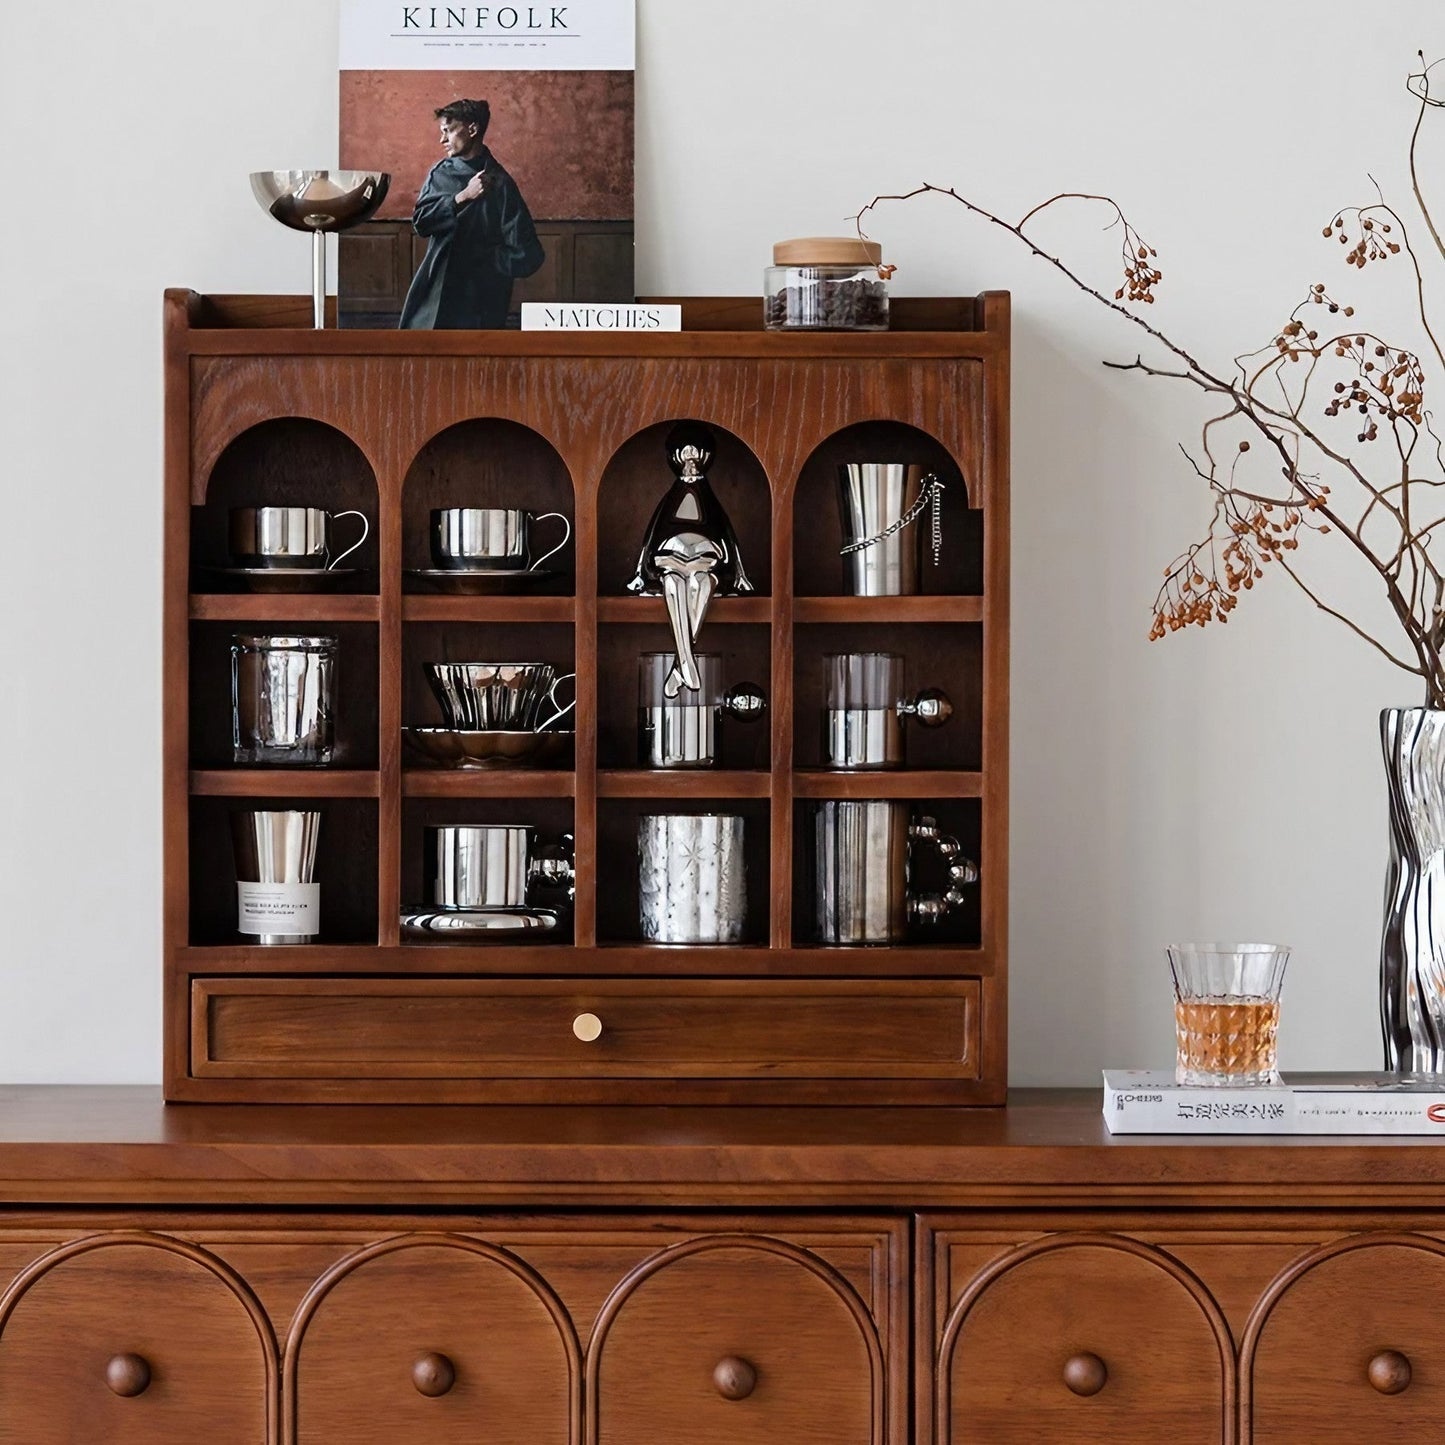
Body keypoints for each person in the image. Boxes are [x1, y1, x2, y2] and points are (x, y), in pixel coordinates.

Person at [398, 99, 545, 329]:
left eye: (448, 131)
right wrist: (462, 197)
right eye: (441, 132)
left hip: (481, 305)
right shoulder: (439, 174)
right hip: (435, 295)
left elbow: (529, 254)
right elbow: (421, 224)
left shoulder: (500, 184)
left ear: (473, 129)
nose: (442, 139)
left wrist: (483, 260)